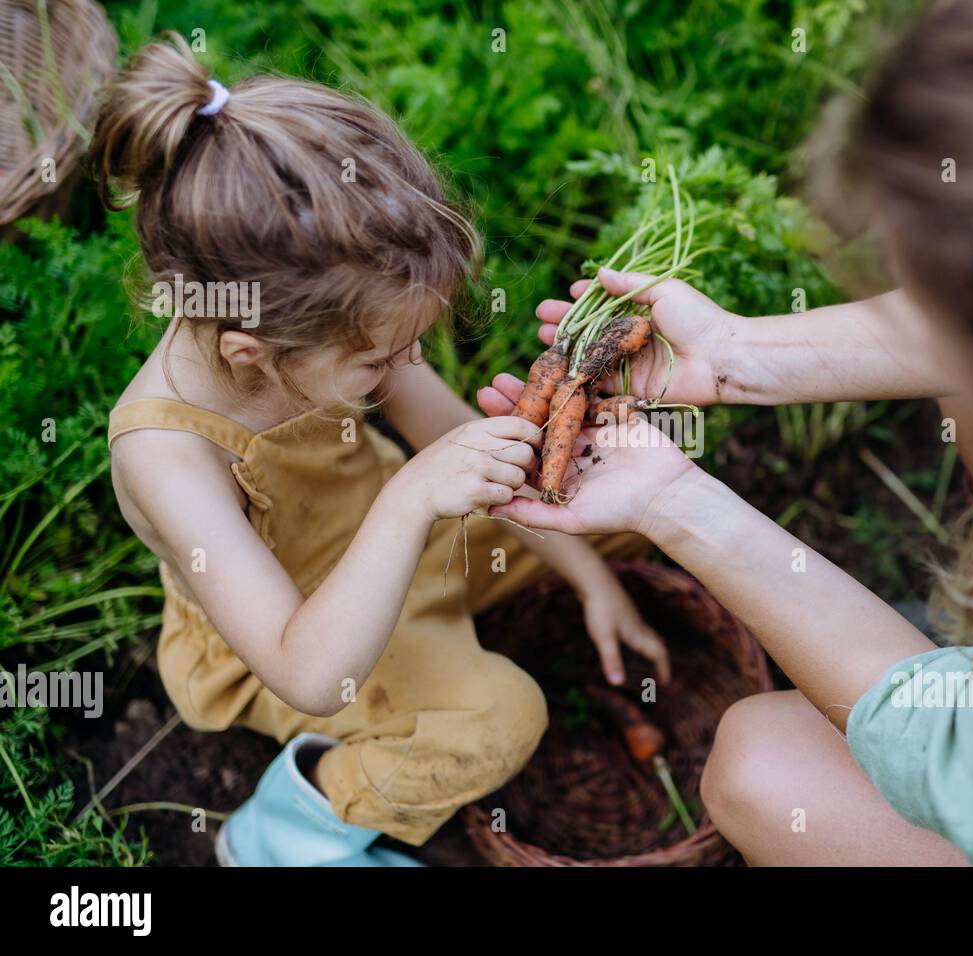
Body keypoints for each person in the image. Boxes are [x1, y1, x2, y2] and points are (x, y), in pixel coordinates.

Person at [480, 0, 973, 865]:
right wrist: (735, 355)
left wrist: (676, 501)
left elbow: (952, 749)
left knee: (766, 767)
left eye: (946, 318)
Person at [95, 33, 668, 866]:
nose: (402, 371)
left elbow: (447, 438)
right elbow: (309, 671)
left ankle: (540, 589)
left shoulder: (337, 322)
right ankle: (281, 835)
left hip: (416, 551)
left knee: (617, 493)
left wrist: (591, 578)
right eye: (379, 363)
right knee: (500, 718)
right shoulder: (167, 454)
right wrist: (409, 498)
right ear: (253, 351)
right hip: (309, 632)